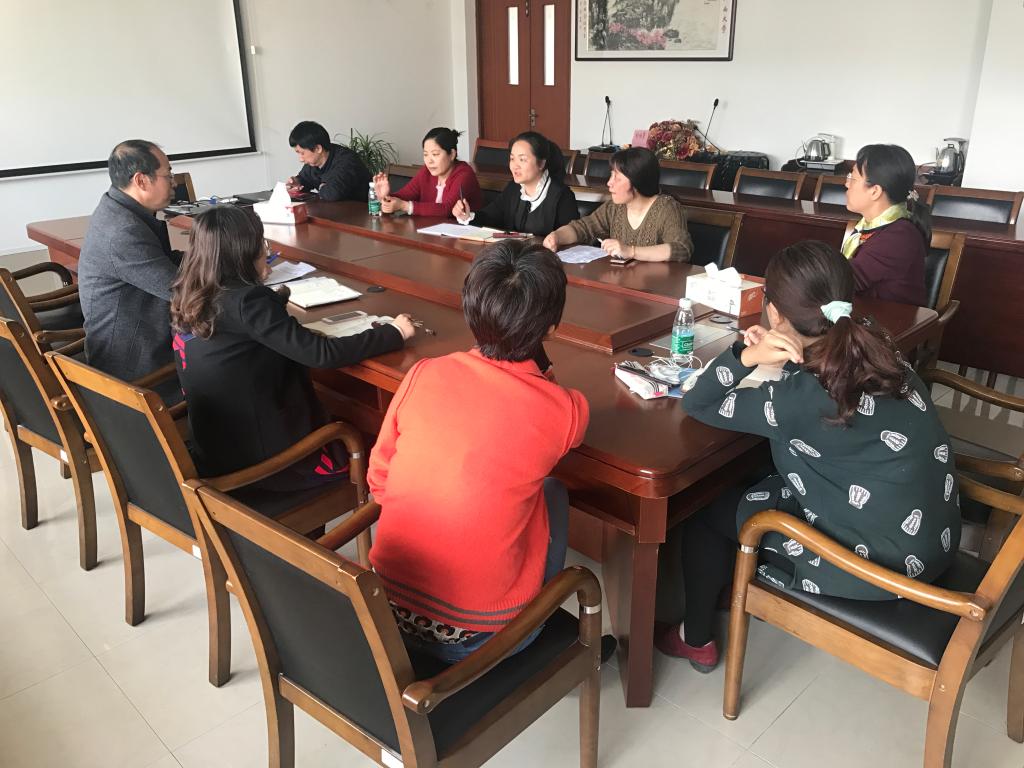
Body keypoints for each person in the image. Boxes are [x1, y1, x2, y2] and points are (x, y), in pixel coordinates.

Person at [657, 240, 960, 671]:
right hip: (933, 538)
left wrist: (746, 355)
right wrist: (778, 351)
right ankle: (727, 580)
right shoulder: (873, 341)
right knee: (756, 474)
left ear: (774, 313)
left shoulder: (799, 402)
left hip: (880, 567)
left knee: (707, 513)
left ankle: (696, 638)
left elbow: (698, 403)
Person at [367, 240, 588, 662]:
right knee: (552, 491)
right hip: (481, 639)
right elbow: (563, 418)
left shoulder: (424, 373)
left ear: (470, 310)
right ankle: (541, 618)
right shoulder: (564, 410)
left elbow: (380, 480)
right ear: (551, 329)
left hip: (384, 612)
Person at [170, 207, 415, 491]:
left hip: (217, 451)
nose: (265, 251)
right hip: (264, 466)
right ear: (244, 253)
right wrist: (394, 332)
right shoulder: (248, 302)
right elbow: (321, 354)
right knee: (379, 441)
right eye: (261, 244)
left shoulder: (190, 294)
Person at [78, 139, 183, 383]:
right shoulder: (123, 232)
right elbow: (183, 291)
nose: (174, 182)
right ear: (141, 180)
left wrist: (221, 259)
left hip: (133, 341)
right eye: (168, 175)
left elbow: (163, 261)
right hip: (137, 370)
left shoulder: (116, 207)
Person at [543, 146, 692, 262]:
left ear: (637, 181)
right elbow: (583, 228)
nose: (609, 183)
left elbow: (681, 249)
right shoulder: (615, 207)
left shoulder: (667, 208)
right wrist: (557, 236)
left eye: (617, 178)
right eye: (611, 175)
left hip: (656, 286)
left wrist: (631, 251)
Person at [842, 144, 932, 305]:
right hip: (865, 313)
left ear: (875, 191)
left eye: (853, 178)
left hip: (891, 320)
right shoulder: (868, 226)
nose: (847, 184)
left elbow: (845, 281)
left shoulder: (899, 236)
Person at [452, 131, 579, 236]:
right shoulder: (514, 188)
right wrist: (468, 216)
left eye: (522, 159)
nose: (515, 166)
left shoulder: (562, 196)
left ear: (541, 163)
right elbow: (491, 216)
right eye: (512, 158)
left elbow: (572, 239)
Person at [372, 127, 482, 217]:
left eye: (435, 154)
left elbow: (447, 209)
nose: (429, 161)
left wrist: (404, 206)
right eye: (425, 154)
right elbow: (405, 195)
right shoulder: (426, 172)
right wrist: (385, 197)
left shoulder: (464, 174)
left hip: (465, 234)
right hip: (430, 232)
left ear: (452, 154)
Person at [286, 120, 371, 203]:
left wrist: (323, 189)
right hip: (335, 209)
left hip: (364, 210)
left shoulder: (347, 160)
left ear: (318, 148)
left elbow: (332, 194)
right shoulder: (314, 162)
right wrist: (297, 182)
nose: (300, 159)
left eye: (302, 153)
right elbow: (305, 179)